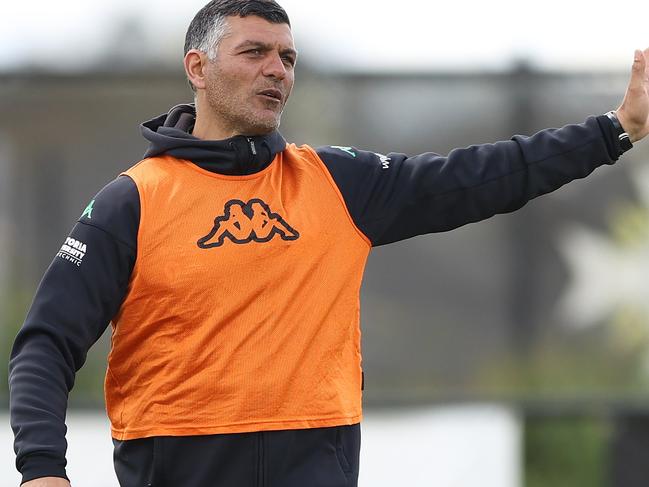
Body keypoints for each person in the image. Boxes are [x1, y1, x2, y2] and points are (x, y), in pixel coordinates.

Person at [8, 0, 649, 485]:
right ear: (196, 68)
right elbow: (45, 344)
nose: (277, 71)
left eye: (287, 58)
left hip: (317, 458)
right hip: (180, 462)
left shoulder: (337, 183)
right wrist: (42, 468)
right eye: (254, 52)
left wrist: (614, 130)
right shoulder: (133, 200)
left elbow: (482, 175)